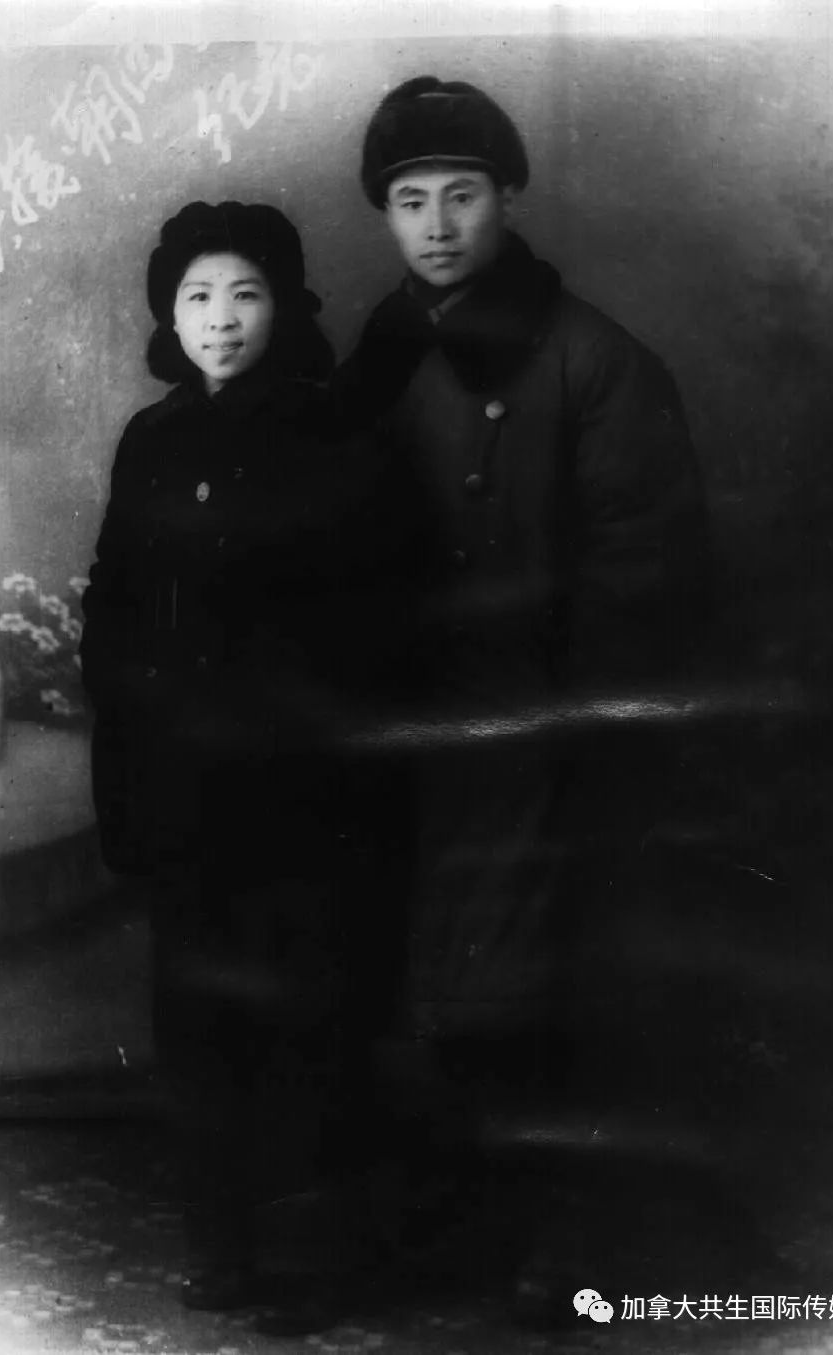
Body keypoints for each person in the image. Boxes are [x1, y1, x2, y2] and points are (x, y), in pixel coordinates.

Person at [333, 74, 712, 1287]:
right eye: (409, 201)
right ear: (385, 215)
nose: (436, 225)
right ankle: (451, 1214)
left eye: (461, 195)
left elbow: (640, 582)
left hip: (535, 732)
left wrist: (569, 734)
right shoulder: (380, 350)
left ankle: (556, 1236)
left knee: (537, 991)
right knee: (419, 979)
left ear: (508, 198)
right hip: (405, 724)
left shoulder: (592, 360)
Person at [80, 201, 414, 1336]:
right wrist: (133, 732)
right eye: (196, 297)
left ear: (284, 308)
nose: (219, 319)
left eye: (245, 294)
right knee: (198, 1021)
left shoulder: (336, 434)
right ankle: (220, 1244)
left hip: (304, 795)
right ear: (169, 317)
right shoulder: (153, 439)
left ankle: (326, 1254)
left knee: (315, 1018)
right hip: (187, 793)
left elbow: (379, 627)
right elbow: (114, 603)